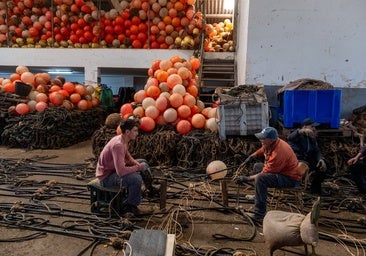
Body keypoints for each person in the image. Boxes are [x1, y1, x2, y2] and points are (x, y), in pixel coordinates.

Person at [236, 127, 301, 221]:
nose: (260, 140)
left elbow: (265, 172)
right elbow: (263, 149)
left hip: (290, 178)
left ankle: (259, 214)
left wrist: (246, 178)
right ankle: (259, 195)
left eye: (263, 138)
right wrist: (252, 156)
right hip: (282, 171)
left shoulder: (279, 152)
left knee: (260, 179)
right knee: (257, 166)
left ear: (271, 140)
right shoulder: (272, 143)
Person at [95, 118, 153, 216]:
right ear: (127, 132)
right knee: (136, 179)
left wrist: (135, 163)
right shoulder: (118, 145)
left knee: (143, 162)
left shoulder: (123, 139)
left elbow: (127, 154)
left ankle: (150, 188)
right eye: (135, 130)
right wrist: (138, 168)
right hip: (106, 177)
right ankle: (131, 207)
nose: (137, 133)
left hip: (113, 170)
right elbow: (121, 172)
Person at [287, 118, 327, 195]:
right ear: (305, 127)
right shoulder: (298, 135)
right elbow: (290, 137)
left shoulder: (311, 137)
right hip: (298, 160)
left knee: (323, 167)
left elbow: (316, 150)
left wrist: (320, 159)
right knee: (302, 167)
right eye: (312, 127)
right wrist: (300, 131)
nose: (314, 129)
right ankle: (296, 189)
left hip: (308, 159)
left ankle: (315, 190)